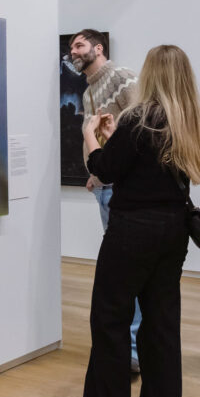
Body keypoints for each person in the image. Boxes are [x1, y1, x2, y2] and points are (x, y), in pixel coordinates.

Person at [63, 44, 200, 397]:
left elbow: (105, 169)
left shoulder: (140, 117)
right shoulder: (187, 121)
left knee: (109, 324)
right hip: (172, 233)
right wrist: (114, 140)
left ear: (152, 74)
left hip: (131, 232)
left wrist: (90, 135)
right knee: (161, 329)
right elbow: (143, 164)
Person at [67, 29, 142, 373]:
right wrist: (94, 174)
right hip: (104, 186)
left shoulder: (123, 78)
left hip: (121, 189)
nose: (73, 51)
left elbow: (141, 129)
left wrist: (118, 172)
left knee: (127, 272)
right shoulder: (88, 91)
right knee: (120, 272)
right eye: (71, 47)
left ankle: (133, 351)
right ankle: (126, 348)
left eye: (79, 45)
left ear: (99, 48)